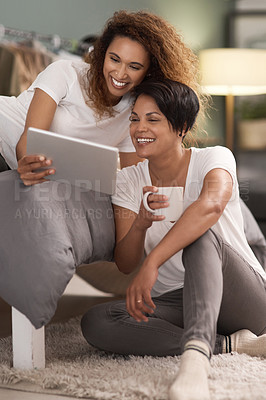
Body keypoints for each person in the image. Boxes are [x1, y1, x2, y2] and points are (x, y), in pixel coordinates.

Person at [81, 79, 266, 400]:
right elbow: (125, 264)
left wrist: (152, 263)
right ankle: (231, 344)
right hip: (179, 300)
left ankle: (194, 362)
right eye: (135, 118)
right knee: (98, 322)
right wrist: (140, 223)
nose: (140, 128)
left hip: (243, 297)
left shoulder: (214, 158)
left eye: (153, 120)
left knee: (199, 236)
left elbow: (210, 206)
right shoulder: (128, 181)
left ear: (181, 127)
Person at [0, 9, 203, 183]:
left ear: (149, 71)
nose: (120, 74)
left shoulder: (134, 110)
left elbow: (130, 175)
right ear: (102, 54)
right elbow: (29, 140)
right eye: (114, 59)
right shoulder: (65, 73)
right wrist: (28, 167)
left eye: (134, 66)